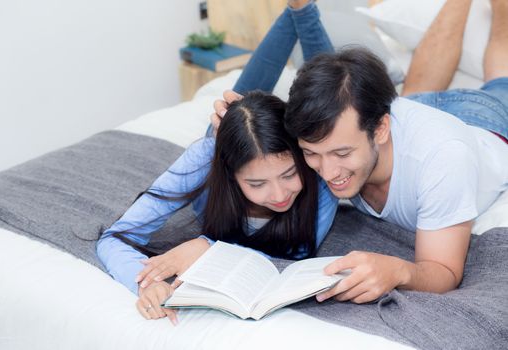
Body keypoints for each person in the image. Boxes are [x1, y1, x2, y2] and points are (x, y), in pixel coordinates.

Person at [213, 0, 508, 304]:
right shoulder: (326, 130)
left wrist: (400, 271)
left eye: (342, 154)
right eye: (312, 153)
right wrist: (226, 129)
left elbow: (444, 271)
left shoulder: (445, 158)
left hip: (483, 118)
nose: (327, 173)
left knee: (500, 75)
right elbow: (259, 133)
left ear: (381, 129)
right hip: (412, 107)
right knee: (411, 88)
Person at [96, 0, 339, 323]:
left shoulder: (317, 172)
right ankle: (299, 8)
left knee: (329, 104)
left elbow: (294, 255)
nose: (280, 194)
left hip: (277, 134)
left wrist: (206, 248)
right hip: (225, 144)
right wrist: (147, 284)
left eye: (288, 174)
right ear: (230, 175)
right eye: (256, 183)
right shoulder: (204, 159)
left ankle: (302, 9)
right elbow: (116, 237)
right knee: (241, 109)